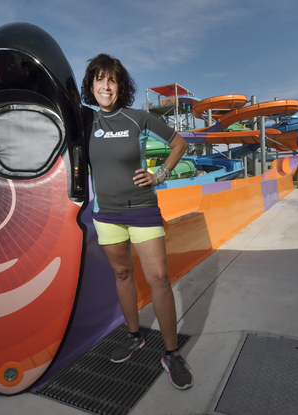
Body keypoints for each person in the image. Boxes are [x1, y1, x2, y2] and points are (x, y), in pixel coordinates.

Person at [81, 53, 193, 390]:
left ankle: (171, 352)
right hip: (106, 215)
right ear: (91, 85)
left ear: (121, 86)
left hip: (142, 209)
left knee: (159, 278)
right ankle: (134, 336)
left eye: (112, 80)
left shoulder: (138, 118)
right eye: (99, 79)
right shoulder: (86, 122)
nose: (106, 86)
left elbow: (179, 144)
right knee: (122, 274)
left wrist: (160, 175)